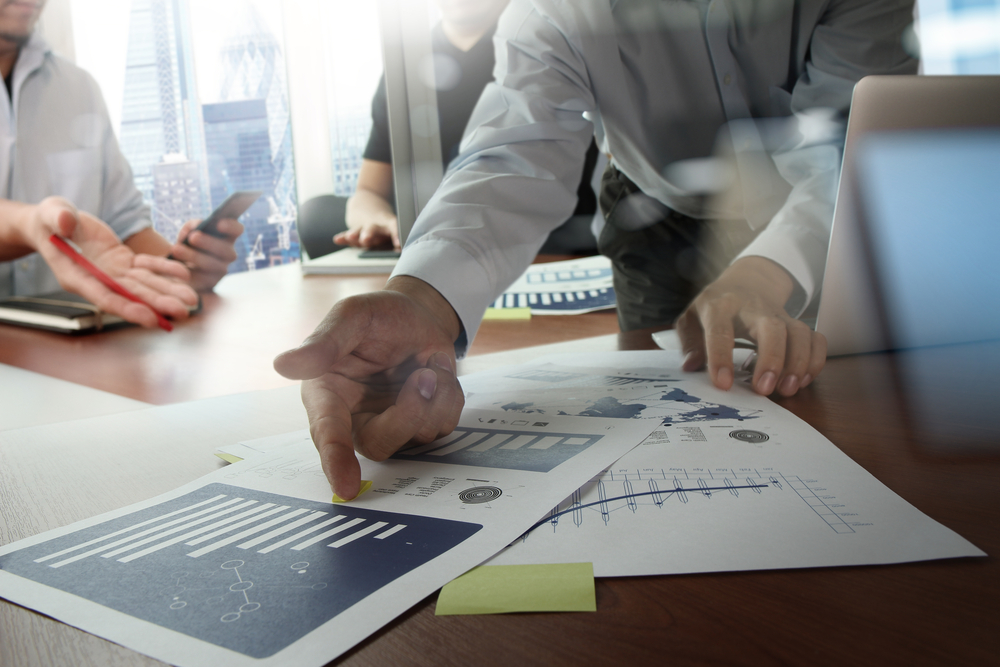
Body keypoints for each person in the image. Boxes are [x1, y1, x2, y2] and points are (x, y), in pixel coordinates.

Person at [275, 0, 918, 499]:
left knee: (846, 408)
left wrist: (768, 270)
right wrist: (419, 299)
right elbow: (516, 156)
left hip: (822, 201)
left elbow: (849, 144)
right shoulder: (549, 12)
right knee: (684, 416)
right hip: (653, 206)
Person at [0, 0, 243, 327]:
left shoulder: (78, 88)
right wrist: (27, 224)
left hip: (72, 353)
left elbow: (125, 224)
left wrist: (181, 271)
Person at [335, 0, 598, 254]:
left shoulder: (547, 48)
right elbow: (367, 193)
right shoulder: (404, 68)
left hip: (551, 240)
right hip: (438, 248)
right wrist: (381, 220)